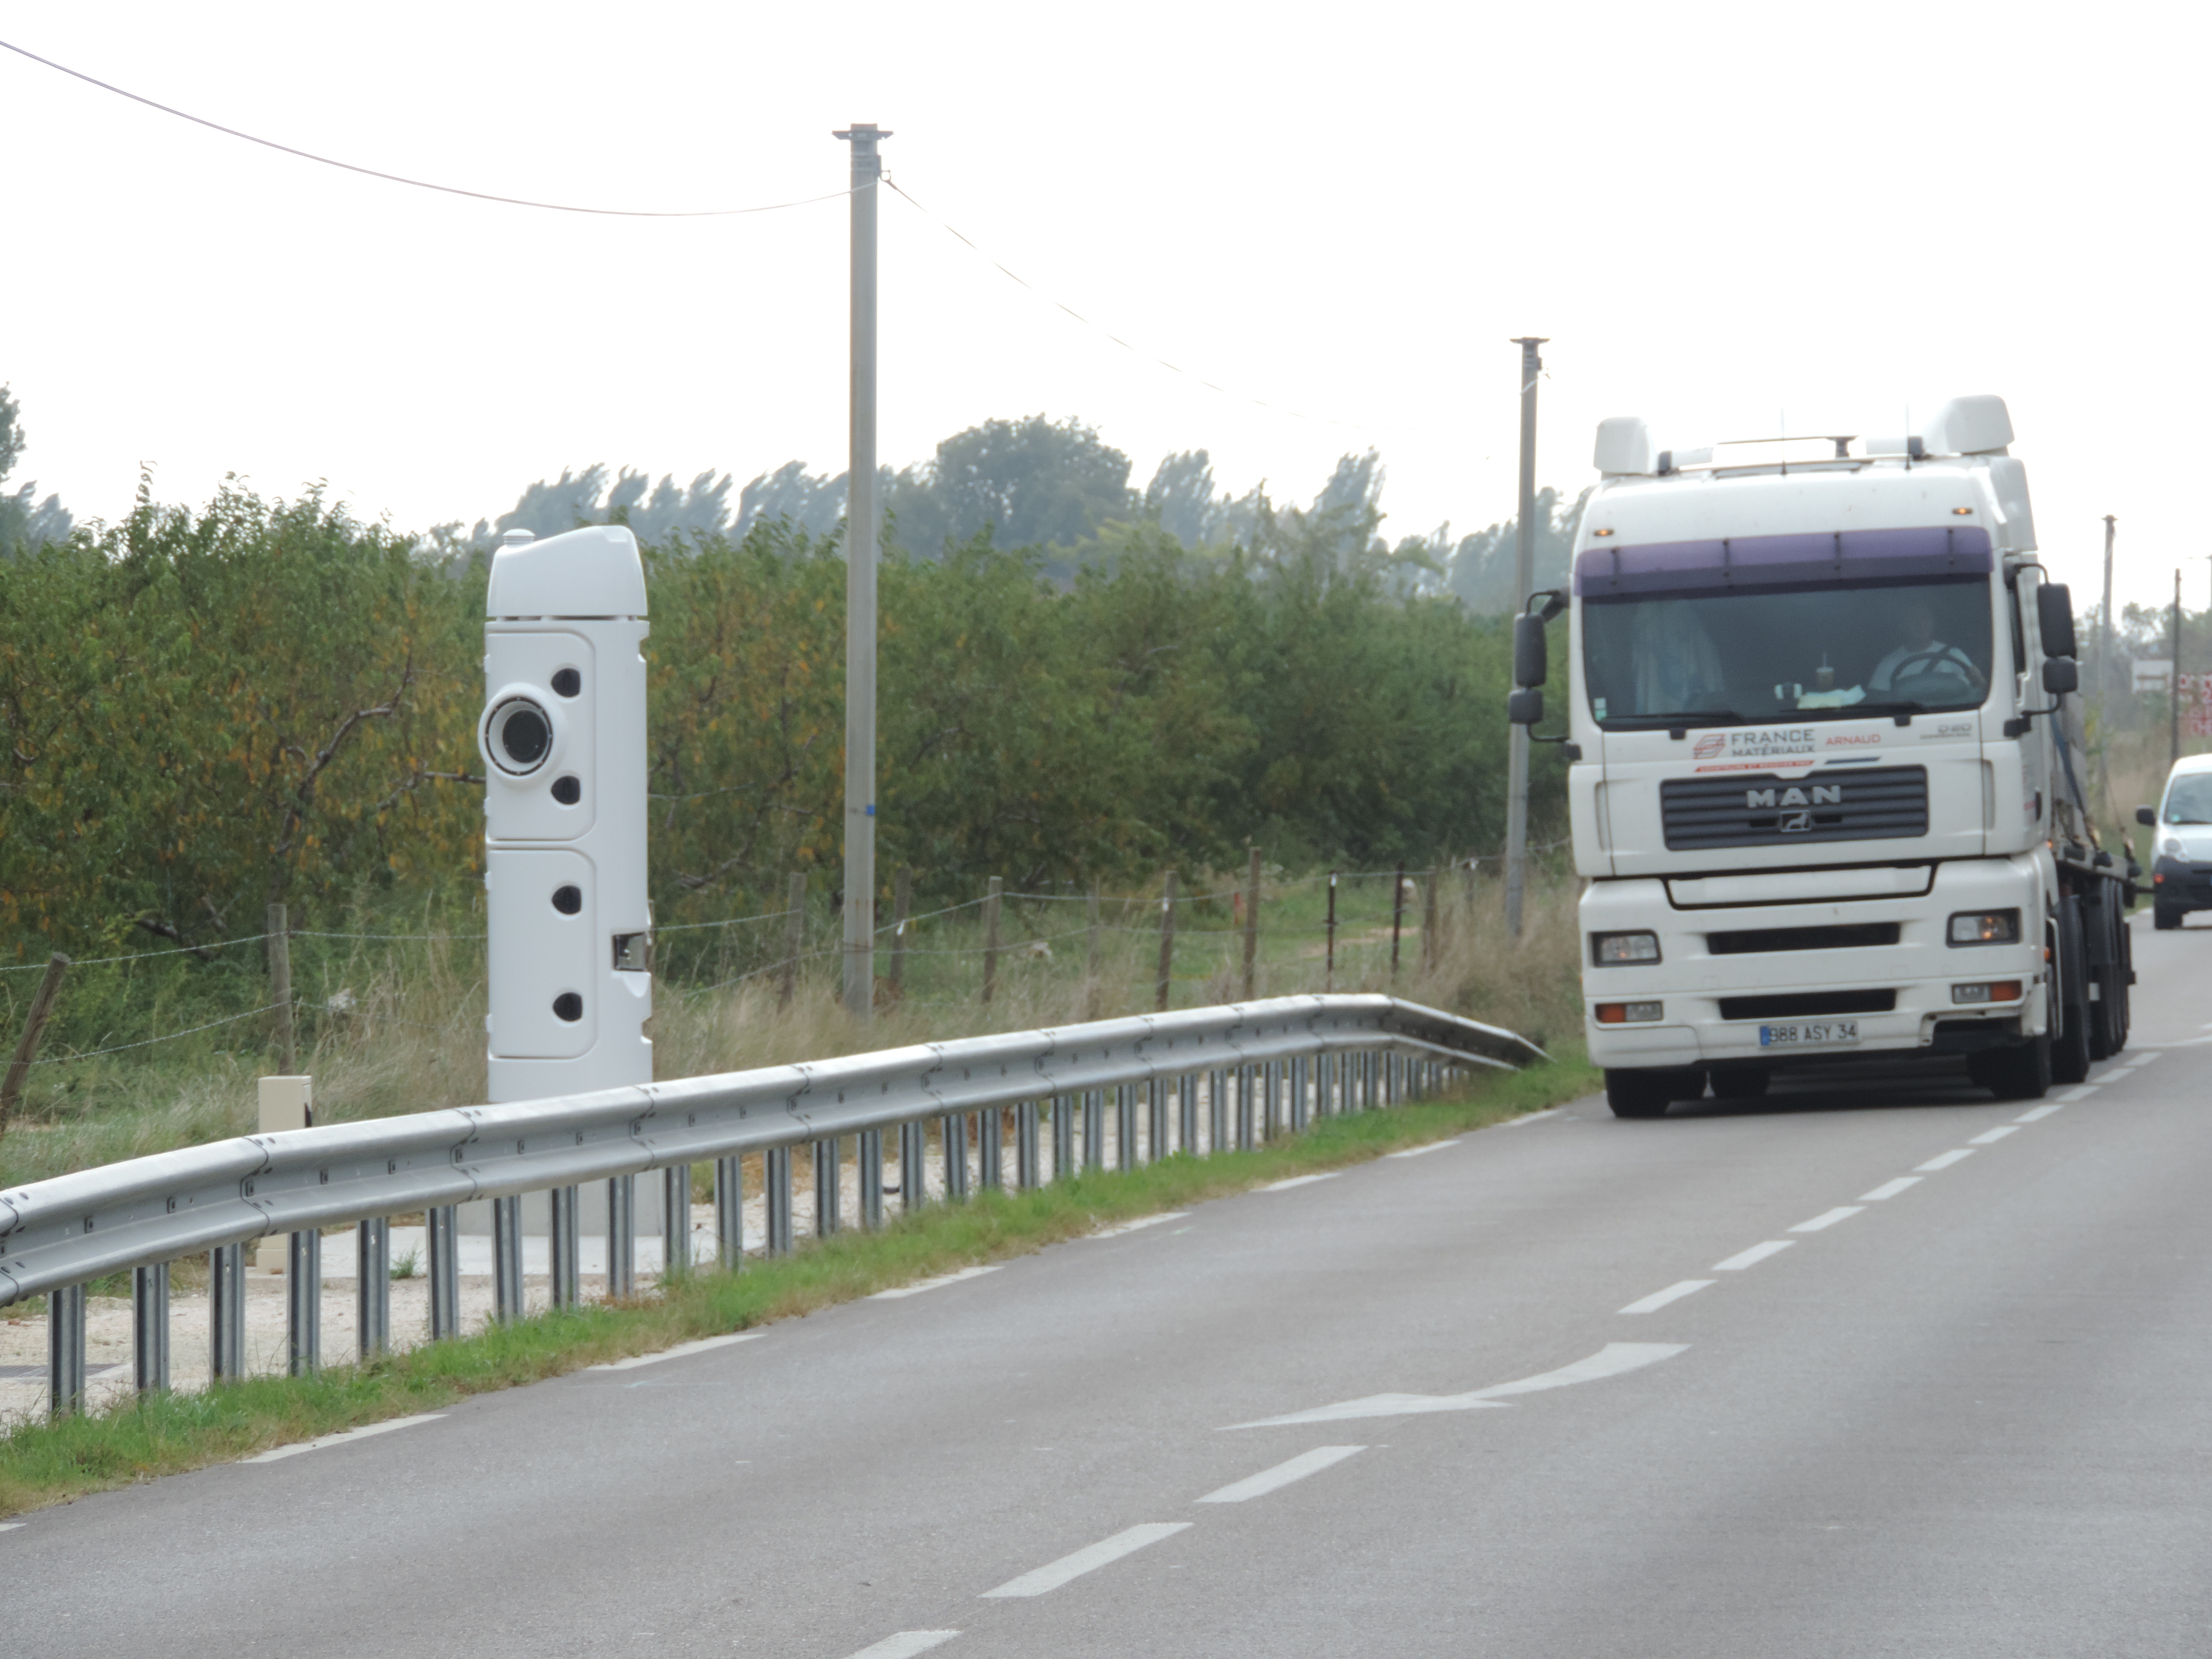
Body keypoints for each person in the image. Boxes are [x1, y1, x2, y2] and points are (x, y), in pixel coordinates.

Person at [1869, 600, 1982, 698]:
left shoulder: (1954, 655)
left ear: (1933, 623)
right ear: (1902, 626)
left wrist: (1978, 679)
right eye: (1913, 619)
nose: (1921, 624)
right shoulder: (1889, 663)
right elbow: (1879, 700)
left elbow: (1980, 691)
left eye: (1925, 617)